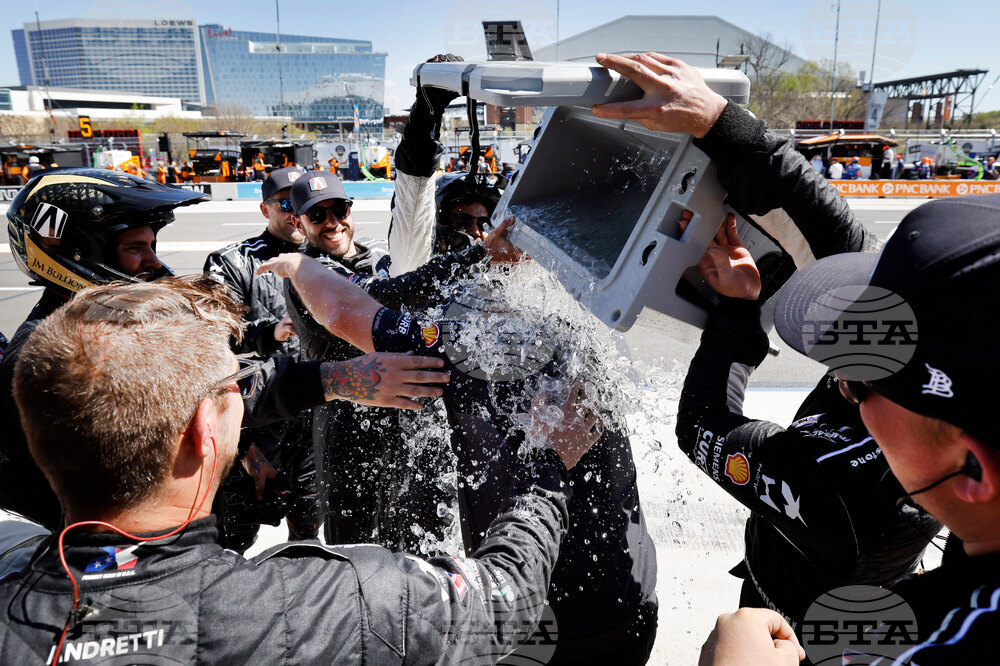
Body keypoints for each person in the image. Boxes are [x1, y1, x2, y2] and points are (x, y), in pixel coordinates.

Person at [593, 49, 1000, 664]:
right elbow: (847, 251)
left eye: (861, 382)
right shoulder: (958, 434)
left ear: (973, 470)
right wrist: (725, 126)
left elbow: (702, 422)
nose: (841, 378)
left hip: (791, 622)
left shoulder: (831, 486)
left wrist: (736, 318)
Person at [0, 275, 600, 664]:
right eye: (233, 386)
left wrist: (334, 379)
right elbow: (505, 598)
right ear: (203, 431)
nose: (244, 391)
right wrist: (546, 464)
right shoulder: (338, 601)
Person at [260, 246, 660, 665]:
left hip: (520, 606)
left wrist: (296, 266)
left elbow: (342, 311)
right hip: (625, 595)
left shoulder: (457, 347)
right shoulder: (583, 337)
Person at [0, 168, 449, 533]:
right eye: (136, 249)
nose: (155, 262)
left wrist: (334, 378)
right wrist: (337, 379)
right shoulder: (57, 351)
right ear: (71, 249)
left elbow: (223, 373)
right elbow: (211, 390)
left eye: (153, 246)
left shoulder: (118, 325)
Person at [204, 166, 317, 550]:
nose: (295, 212)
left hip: (318, 415)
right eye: (285, 203)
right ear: (264, 209)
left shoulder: (331, 259)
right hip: (256, 422)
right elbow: (213, 339)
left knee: (310, 524)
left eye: (302, 202)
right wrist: (270, 331)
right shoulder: (233, 262)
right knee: (234, 531)